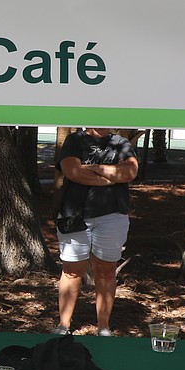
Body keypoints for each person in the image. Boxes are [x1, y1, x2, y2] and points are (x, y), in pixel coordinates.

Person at [52, 127, 138, 337]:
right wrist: (110, 176)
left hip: (112, 215)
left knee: (106, 271)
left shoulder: (121, 143)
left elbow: (129, 173)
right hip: (74, 215)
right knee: (72, 271)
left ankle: (103, 327)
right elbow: (72, 171)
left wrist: (92, 167)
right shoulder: (74, 140)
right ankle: (63, 326)